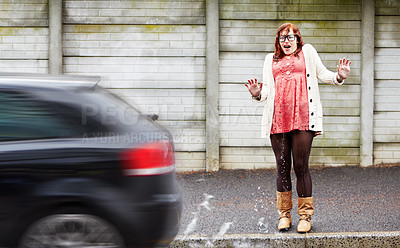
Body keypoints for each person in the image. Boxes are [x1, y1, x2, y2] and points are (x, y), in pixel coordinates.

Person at [245, 23, 351, 233]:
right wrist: (256, 93)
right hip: (278, 119)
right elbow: (265, 91)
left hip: (303, 118)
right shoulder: (270, 59)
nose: (287, 42)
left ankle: (305, 216)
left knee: (301, 166)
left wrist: (339, 76)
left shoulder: (308, 52)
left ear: (297, 39)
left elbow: (323, 74)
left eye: (290, 37)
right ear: (278, 40)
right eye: (283, 38)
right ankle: (284, 215)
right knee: (282, 167)